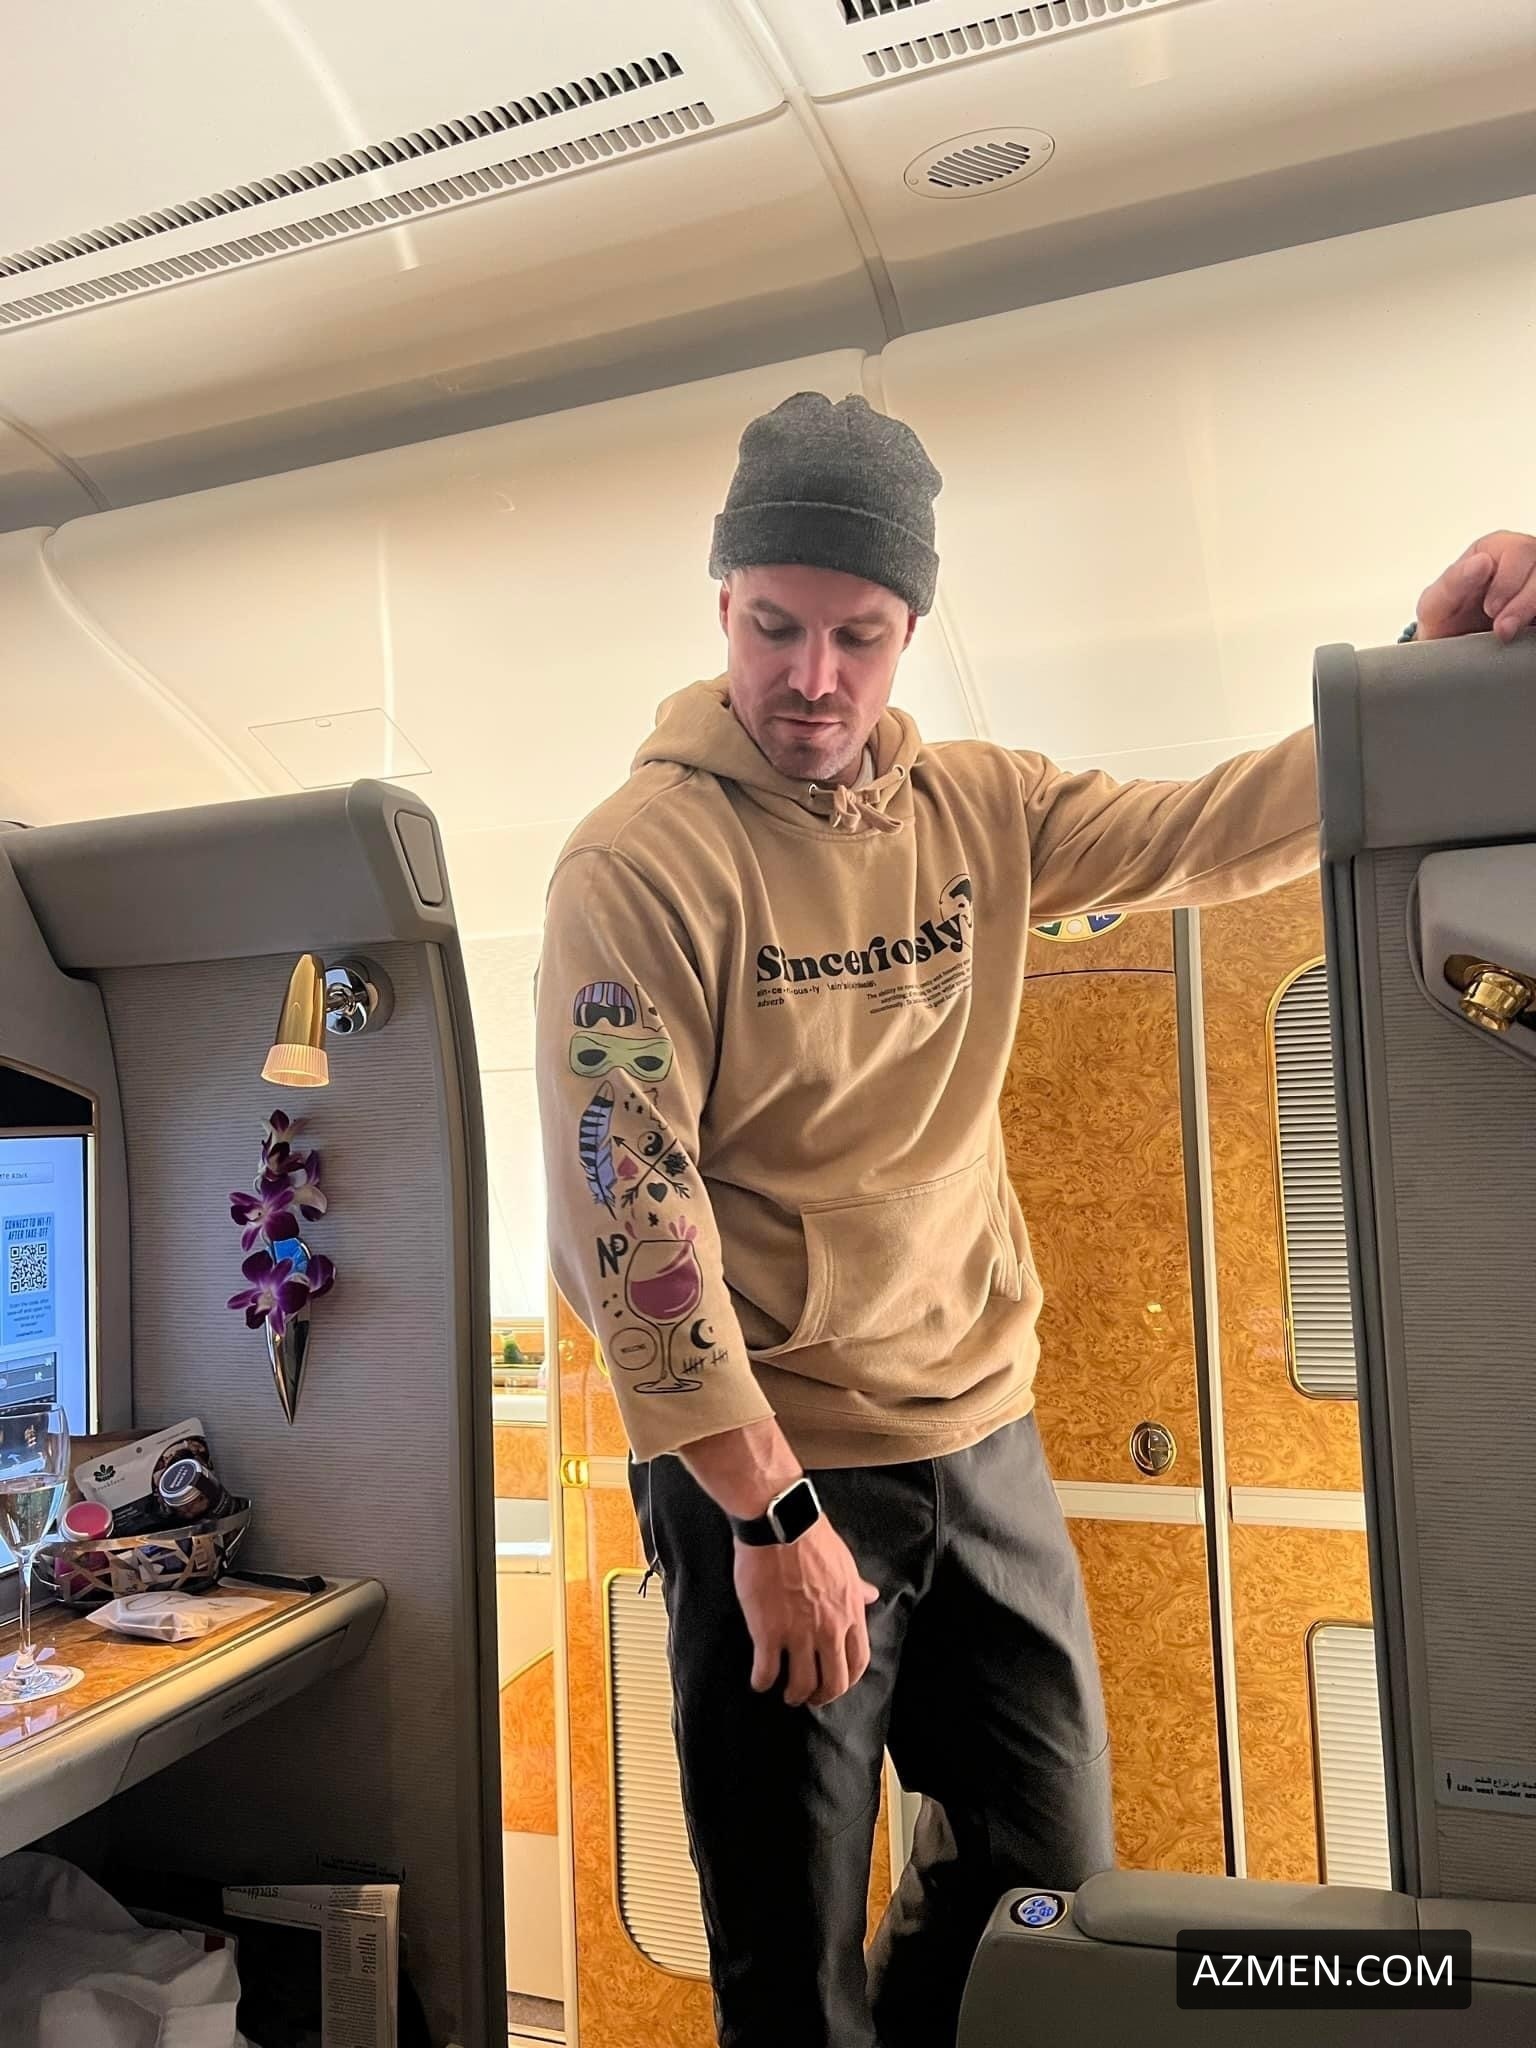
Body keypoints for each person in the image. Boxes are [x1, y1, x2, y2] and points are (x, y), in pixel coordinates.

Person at [534, 391, 1536, 2048]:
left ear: (911, 630)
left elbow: (1214, 829)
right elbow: (625, 1211)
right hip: (776, 1465)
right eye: (775, 625)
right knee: (790, 1953)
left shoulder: (980, 812)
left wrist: (1419, 675)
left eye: (858, 635)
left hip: (979, 1439)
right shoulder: (638, 864)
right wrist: (771, 1521)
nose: (812, 677)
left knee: (1046, 1901)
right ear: (721, 604)